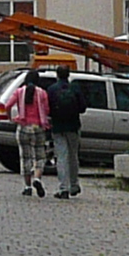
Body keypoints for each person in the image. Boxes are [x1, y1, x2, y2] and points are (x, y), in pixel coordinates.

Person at [36, 62, 87, 198]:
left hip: (58, 127)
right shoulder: (75, 88)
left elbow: (48, 110)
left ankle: (63, 188)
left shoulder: (52, 89)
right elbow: (83, 108)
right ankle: (74, 184)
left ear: (57, 75)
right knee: (73, 156)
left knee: (62, 157)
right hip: (73, 126)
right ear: (68, 75)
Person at [3, 73, 53, 197]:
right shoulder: (42, 93)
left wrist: (11, 118)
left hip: (24, 127)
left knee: (25, 157)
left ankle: (27, 186)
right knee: (40, 156)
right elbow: (47, 110)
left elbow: (8, 105)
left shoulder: (19, 92)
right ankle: (37, 178)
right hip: (38, 128)